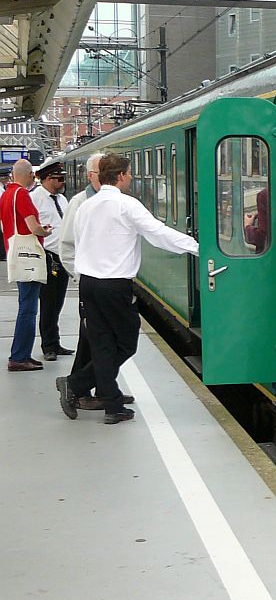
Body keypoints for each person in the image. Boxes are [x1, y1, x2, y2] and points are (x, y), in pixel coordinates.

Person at [58, 153, 198, 424]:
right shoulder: (126, 205)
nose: (132, 178)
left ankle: (112, 405)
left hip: (88, 284)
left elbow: (79, 242)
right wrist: (197, 247)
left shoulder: (86, 205)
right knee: (126, 342)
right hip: (114, 285)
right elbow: (158, 233)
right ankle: (75, 384)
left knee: (102, 343)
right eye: (130, 173)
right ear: (120, 176)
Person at [57, 152, 134, 411]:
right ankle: (81, 387)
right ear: (92, 175)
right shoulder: (80, 203)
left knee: (103, 343)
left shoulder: (113, 202)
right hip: (94, 283)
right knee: (95, 342)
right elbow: (67, 246)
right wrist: (81, 276)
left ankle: (104, 391)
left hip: (103, 283)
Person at [1, 159, 50, 372]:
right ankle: (19, 357)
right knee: (28, 309)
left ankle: (21, 354)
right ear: (29, 175)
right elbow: (32, 226)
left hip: (14, 252)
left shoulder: (6, 195)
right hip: (27, 257)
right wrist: (44, 231)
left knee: (26, 306)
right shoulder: (21, 195)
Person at [29, 162, 73, 361]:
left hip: (61, 257)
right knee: (47, 303)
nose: (62, 182)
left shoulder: (62, 199)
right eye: (59, 179)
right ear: (47, 179)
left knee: (57, 302)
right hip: (46, 257)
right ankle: (48, 346)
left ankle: (55, 342)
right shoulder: (35, 199)